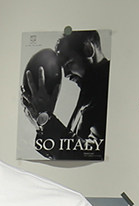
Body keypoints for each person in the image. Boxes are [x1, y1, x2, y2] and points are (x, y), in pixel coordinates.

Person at [22, 29, 110, 160]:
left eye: (68, 63)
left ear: (88, 50)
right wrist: (41, 122)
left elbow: (91, 154)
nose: (66, 74)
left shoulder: (106, 89)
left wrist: (47, 120)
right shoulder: (91, 91)